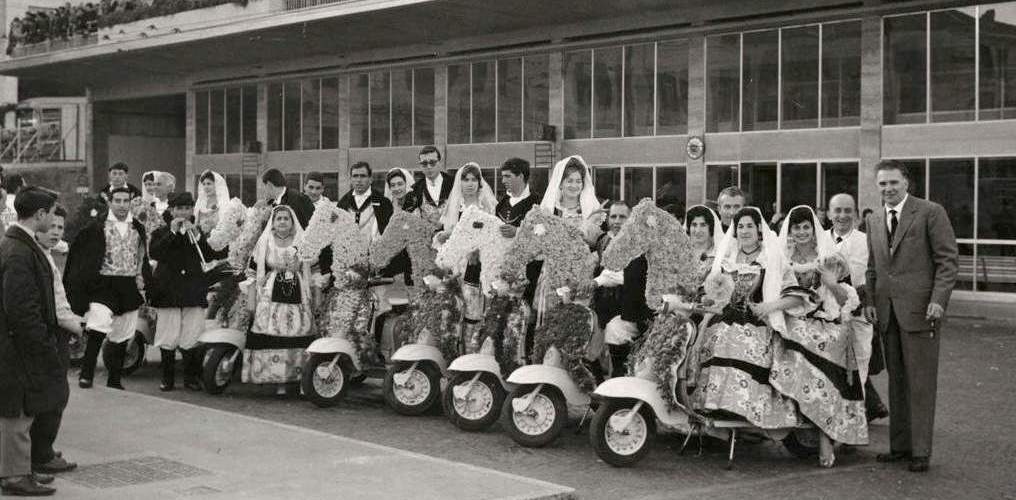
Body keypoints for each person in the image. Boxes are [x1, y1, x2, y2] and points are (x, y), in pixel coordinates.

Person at [864, 160, 958, 473]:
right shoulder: (875, 219)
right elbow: (874, 266)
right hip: (888, 314)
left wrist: (939, 301)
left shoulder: (931, 212)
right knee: (897, 383)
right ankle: (900, 446)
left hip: (921, 312)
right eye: (882, 184)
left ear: (907, 183)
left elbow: (947, 262)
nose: (888, 189)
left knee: (920, 384)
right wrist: (872, 300)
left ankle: (921, 452)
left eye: (893, 182)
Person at [771, 205, 870, 468]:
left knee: (822, 351)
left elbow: (846, 302)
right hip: (792, 321)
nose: (802, 232)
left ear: (814, 230)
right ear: (789, 231)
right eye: (796, 228)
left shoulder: (829, 259)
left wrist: (831, 283)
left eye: (806, 227)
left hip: (824, 322)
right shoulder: (782, 257)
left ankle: (826, 436)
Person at [690, 207, 801, 432]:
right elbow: (711, 290)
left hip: (759, 320)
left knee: (737, 338)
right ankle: (714, 406)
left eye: (750, 225)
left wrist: (768, 306)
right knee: (715, 336)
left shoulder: (771, 256)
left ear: (759, 228)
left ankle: (740, 406)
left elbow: (796, 295)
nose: (745, 230)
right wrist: (709, 299)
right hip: (724, 316)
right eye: (740, 226)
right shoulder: (727, 257)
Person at [0, 187, 62, 496]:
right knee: (18, 411)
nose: (53, 219)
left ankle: (17, 469)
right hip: (18, 348)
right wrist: (41, 345)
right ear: (39, 215)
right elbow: (21, 309)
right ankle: (14, 476)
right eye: (51, 213)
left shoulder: (16, 244)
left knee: (18, 409)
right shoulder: (20, 250)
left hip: (14, 346)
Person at [65, 186, 150, 390]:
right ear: (110, 202)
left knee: (123, 333)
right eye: (117, 201)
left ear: (130, 202)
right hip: (103, 284)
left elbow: (141, 256)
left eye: (125, 201)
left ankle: (114, 378)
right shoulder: (97, 226)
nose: (122, 205)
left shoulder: (137, 227)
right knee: (98, 324)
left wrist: (141, 278)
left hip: (127, 284)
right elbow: (82, 255)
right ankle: (87, 374)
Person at [149, 192, 225, 392]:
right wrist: (173, 233)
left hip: (192, 290)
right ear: (171, 211)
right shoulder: (161, 233)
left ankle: (190, 378)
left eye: (187, 209)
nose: (183, 213)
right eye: (179, 209)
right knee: (168, 333)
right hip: (168, 291)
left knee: (192, 333)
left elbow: (209, 256)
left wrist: (198, 237)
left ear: (192, 211)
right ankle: (167, 378)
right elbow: (156, 252)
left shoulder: (197, 232)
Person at [30, 205, 81, 478]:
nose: (56, 233)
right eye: (51, 227)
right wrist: (75, 325)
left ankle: (43, 449)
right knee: (54, 394)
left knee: (55, 394)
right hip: (51, 333)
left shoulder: (50, 255)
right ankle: (42, 454)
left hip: (57, 330)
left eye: (60, 228)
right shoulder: (36, 257)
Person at [828, 193, 889, 422]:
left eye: (847, 210)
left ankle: (856, 421)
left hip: (858, 314)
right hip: (828, 318)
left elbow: (875, 277)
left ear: (855, 213)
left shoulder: (866, 241)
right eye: (837, 210)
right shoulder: (822, 239)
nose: (842, 216)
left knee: (859, 368)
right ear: (829, 212)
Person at [243, 205, 314, 396]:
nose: (282, 222)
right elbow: (252, 268)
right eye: (279, 218)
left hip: (297, 292)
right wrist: (256, 285)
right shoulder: (265, 241)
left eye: (286, 218)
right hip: (271, 292)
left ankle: (301, 381)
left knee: (297, 332)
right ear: (273, 223)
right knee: (273, 332)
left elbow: (312, 267)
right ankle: (276, 380)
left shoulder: (302, 241)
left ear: (292, 223)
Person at [435, 162, 497, 345]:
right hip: (456, 265)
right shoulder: (453, 207)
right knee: (453, 309)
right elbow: (445, 236)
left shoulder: (488, 208)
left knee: (473, 312)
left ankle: (472, 349)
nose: (470, 183)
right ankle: (452, 350)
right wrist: (444, 235)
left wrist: (476, 249)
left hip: (476, 266)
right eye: (465, 179)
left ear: (480, 182)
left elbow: (492, 237)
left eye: (473, 179)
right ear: (459, 183)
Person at [587, 200, 650, 378]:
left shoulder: (640, 244)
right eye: (613, 216)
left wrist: (597, 281)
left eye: (622, 217)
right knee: (584, 333)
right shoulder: (603, 241)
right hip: (604, 306)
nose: (616, 221)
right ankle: (597, 384)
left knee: (615, 331)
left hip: (630, 308)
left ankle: (619, 378)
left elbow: (623, 276)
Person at [495, 158, 540, 304]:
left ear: (521, 176)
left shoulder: (537, 203)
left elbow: (542, 235)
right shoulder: (501, 203)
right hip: (502, 267)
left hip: (528, 270)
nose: (503, 180)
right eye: (502, 176)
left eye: (507, 176)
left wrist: (518, 232)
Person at [335, 162, 393, 241]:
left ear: (370, 179)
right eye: (355, 176)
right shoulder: (343, 203)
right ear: (350, 179)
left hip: (374, 250)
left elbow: (389, 232)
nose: (358, 180)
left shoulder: (383, 202)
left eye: (363, 176)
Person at [410, 145, 454, 225]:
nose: (429, 167)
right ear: (420, 166)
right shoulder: (415, 189)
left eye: (432, 163)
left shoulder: (454, 183)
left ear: (440, 162)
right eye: (424, 163)